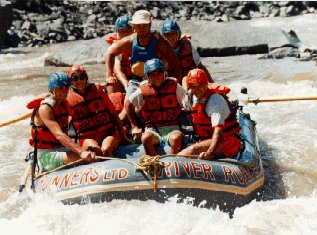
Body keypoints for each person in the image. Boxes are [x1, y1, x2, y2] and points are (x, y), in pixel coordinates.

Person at [105, 10, 182, 105]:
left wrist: (172, 83)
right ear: (134, 27)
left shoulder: (160, 43)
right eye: (138, 25)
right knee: (128, 105)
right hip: (136, 80)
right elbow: (110, 53)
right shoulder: (128, 41)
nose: (142, 28)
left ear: (149, 25)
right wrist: (109, 75)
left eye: (144, 25)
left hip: (158, 80)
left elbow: (175, 64)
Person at [27, 72, 95, 173]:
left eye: (66, 88)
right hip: (45, 155)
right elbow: (59, 135)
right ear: (53, 89)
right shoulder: (45, 108)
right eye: (60, 88)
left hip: (61, 149)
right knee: (83, 158)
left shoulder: (64, 104)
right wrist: (80, 152)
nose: (64, 91)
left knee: (93, 154)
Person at [66, 65, 131, 157]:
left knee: (106, 149)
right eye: (75, 78)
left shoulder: (99, 91)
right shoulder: (67, 100)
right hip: (87, 137)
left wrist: (123, 136)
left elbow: (114, 114)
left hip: (109, 132)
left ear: (86, 78)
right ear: (70, 81)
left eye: (81, 77)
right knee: (95, 151)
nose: (79, 81)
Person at [125, 58, 186, 156]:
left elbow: (186, 102)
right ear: (147, 77)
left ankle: (171, 162)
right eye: (152, 74)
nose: (156, 77)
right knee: (145, 138)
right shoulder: (142, 90)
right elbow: (128, 103)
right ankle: (154, 165)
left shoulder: (175, 86)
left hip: (172, 127)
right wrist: (134, 126)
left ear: (164, 73)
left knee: (176, 138)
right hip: (152, 128)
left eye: (159, 73)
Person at [178, 68, 241, 160]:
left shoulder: (215, 101)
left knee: (191, 150)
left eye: (200, 86)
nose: (197, 90)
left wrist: (210, 152)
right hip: (205, 140)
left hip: (226, 141)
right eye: (193, 86)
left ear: (206, 84)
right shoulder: (190, 98)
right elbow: (184, 80)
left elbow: (218, 132)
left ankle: (166, 164)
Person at [161, 19, 213, 88]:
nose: (170, 37)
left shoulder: (188, 47)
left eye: (173, 33)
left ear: (178, 34)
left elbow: (200, 66)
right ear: (163, 37)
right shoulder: (161, 52)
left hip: (191, 82)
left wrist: (211, 83)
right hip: (173, 85)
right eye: (167, 35)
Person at [105, 15, 134, 94]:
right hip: (122, 80)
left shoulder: (140, 42)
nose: (124, 34)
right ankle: (115, 104)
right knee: (111, 82)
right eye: (121, 31)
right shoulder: (114, 48)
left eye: (127, 31)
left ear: (133, 31)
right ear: (116, 33)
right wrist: (126, 84)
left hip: (137, 78)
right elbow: (117, 69)